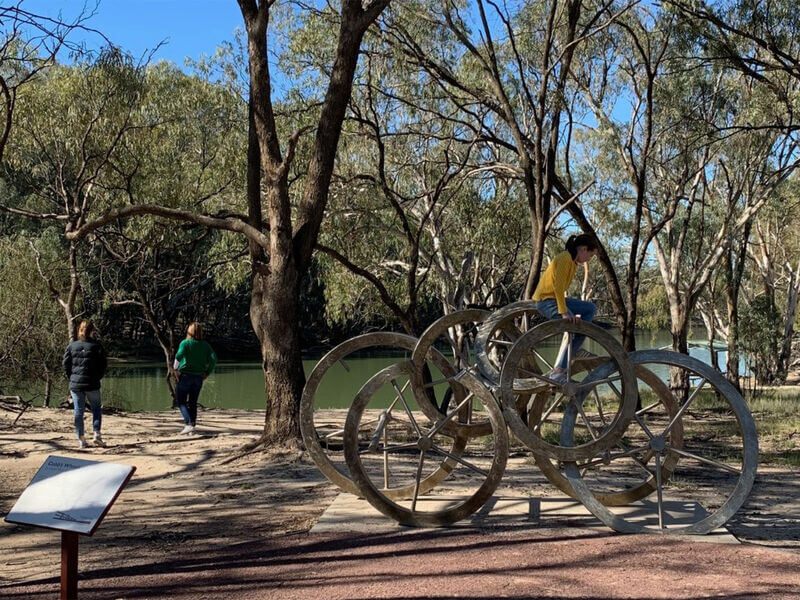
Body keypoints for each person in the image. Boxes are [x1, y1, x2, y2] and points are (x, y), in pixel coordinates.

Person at [532, 233, 599, 384]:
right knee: (577, 325)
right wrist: (564, 313)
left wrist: (570, 312)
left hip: (555, 300)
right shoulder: (565, 259)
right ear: (583, 249)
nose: (589, 259)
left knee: (589, 309)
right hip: (546, 302)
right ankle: (558, 371)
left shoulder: (573, 262)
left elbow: (560, 292)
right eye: (590, 255)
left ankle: (574, 349)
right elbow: (558, 288)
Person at [63, 320, 108, 449]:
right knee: (96, 409)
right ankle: (97, 435)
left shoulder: (72, 346)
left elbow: (65, 364)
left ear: (79, 330)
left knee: (78, 411)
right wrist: (97, 377)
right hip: (92, 383)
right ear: (92, 331)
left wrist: (71, 378)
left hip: (76, 385)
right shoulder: (97, 346)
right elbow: (103, 365)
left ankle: (81, 439)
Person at [173, 322, 217, 434]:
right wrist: (207, 372)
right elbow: (213, 359)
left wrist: (175, 369)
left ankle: (188, 424)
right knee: (193, 402)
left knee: (181, 401)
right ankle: (192, 425)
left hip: (186, 376)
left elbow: (179, 355)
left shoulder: (185, 343)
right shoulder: (205, 345)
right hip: (198, 377)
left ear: (189, 331)